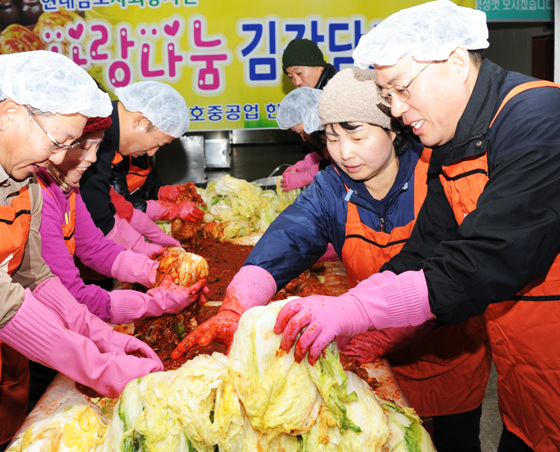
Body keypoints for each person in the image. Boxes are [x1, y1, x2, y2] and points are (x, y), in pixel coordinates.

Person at [273, 2, 560, 451]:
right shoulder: (449, 139)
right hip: (526, 370)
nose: (398, 109)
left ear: (456, 63)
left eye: (402, 89)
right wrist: (359, 306)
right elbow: (428, 249)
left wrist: (357, 312)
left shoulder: (541, 119)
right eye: (388, 96)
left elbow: (486, 257)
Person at [173, 67, 492, 450]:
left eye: (357, 133)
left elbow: (453, 271)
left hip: (449, 352)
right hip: (367, 351)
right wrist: (236, 306)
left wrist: (391, 332)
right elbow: (287, 238)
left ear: (392, 129)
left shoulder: (437, 176)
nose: (344, 152)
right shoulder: (330, 187)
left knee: (456, 442)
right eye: (332, 137)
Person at [0, 50, 171, 452]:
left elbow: (36, 277)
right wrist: (100, 367)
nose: (59, 158)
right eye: (60, 142)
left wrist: (103, 337)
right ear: (11, 115)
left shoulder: (26, 179)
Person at [31, 115, 208, 409]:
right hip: (28, 332)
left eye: (96, 150)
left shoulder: (68, 188)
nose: (89, 160)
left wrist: (156, 272)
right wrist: (153, 303)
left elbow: (95, 247)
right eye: (81, 148)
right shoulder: (41, 195)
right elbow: (70, 294)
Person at [80, 81, 204, 261]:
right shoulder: (97, 135)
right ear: (141, 121)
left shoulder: (108, 135)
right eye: (157, 144)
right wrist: (139, 256)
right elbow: (97, 214)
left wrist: (146, 231)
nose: (152, 152)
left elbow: (110, 199)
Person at [275, 86, 331, 191]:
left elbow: (336, 165)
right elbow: (327, 153)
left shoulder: (335, 131)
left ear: (312, 117)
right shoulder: (324, 133)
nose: (303, 139)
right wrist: (308, 163)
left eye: (301, 131)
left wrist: (304, 177)